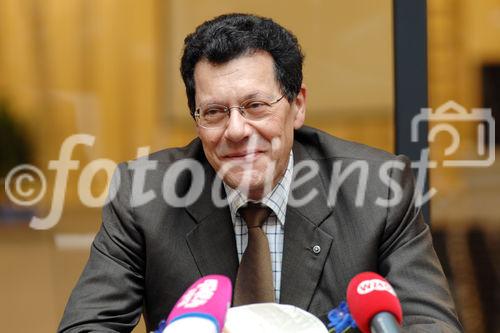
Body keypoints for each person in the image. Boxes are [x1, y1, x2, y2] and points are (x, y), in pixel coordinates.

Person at [59, 13, 462, 332]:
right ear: (196, 118)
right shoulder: (143, 196)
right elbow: (86, 327)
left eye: (255, 106)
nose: (236, 130)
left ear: (297, 105)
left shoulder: (378, 188)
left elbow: (431, 323)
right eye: (214, 112)